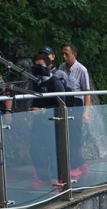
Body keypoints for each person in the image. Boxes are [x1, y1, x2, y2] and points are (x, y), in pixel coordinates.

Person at [28, 53, 66, 189]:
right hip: (39, 123)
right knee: (35, 150)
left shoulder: (55, 82)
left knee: (54, 151)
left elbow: (61, 104)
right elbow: (35, 99)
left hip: (53, 122)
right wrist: (32, 110)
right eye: (36, 65)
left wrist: (43, 109)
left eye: (41, 66)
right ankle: (43, 177)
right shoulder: (36, 82)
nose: (38, 69)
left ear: (49, 66)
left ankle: (61, 179)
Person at [58, 42, 89, 178]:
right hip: (64, 103)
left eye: (67, 54)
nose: (64, 56)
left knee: (75, 136)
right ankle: (80, 163)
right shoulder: (61, 68)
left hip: (76, 104)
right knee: (64, 134)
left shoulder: (81, 70)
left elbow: (87, 92)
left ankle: (76, 166)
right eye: (62, 53)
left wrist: (85, 112)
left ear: (74, 54)